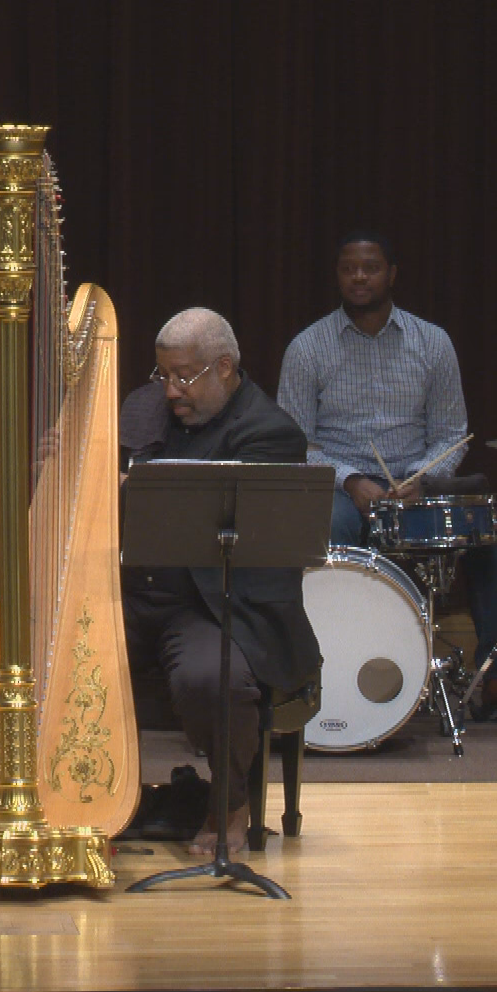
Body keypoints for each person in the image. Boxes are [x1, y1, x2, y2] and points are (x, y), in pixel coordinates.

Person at [277, 231, 497, 707]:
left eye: (370, 268)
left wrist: (423, 481)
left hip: (416, 483)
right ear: (337, 276)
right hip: (341, 486)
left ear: (391, 274)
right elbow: (295, 442)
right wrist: (352, 480)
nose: (359, 277)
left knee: (483, 534)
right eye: (349, 269)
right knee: (329, 529)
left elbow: (451, 433)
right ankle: (337, 667)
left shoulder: (432, 343)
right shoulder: (307, 348)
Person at [123, 307, 322, 855]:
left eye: (184, 376)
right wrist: (63, 463)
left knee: (211, 678)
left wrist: (133, 491)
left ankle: (230, 804)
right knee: (55, 653)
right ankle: (90, 796)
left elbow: (236, 541)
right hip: (132, 593)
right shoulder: (145, 408)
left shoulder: (269, 433)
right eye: (163, 374)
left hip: (213, 602)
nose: (170, 391)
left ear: (225, 368)